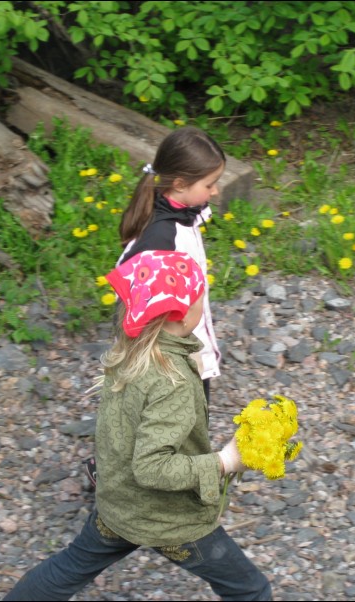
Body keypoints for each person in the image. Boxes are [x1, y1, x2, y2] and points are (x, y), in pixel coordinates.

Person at [5, 250, 272, 601]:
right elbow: (152, 468)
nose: (202, 311)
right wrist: (225, 462)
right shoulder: (171, 380)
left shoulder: (132, 351)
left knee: (71, 566)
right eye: (199, 304)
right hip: (169, 519)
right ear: (180, 316)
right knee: (250, 589)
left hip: (118, 505)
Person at [83, 126, 226, 491]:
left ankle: (118, 469)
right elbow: (145, 311)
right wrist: (183, 358)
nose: (216, 192)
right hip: (171, 350)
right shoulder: (161, 239)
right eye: (210, 184)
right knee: (175, 418)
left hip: (182, 341)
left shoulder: (179, 213)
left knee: (154, 414)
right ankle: (159, 489)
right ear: (179, 184)